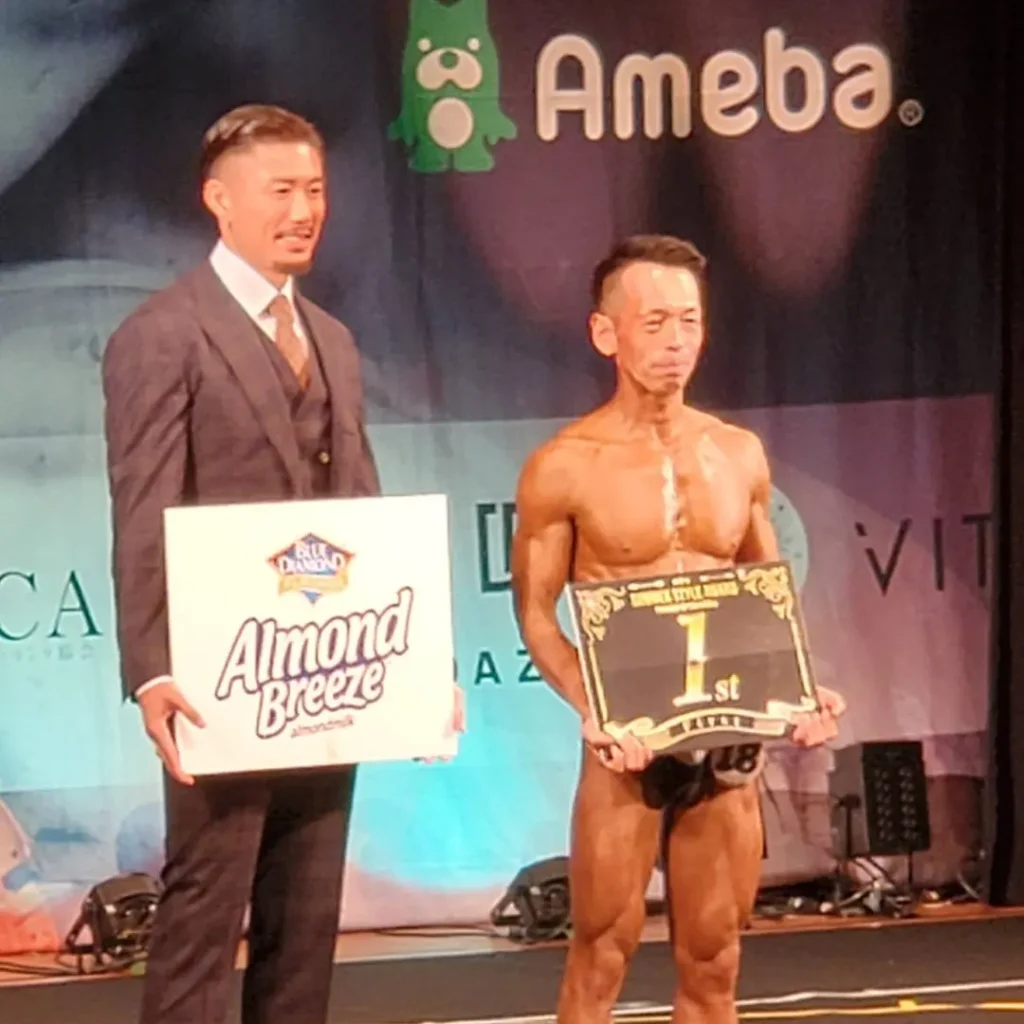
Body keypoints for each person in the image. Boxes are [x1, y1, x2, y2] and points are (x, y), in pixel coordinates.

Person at [101, 103, 462, 1024]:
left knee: (305, 916)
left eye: (315, 190)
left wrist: (418, 671)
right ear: (219, 199)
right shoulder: (163, 333)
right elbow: (141, 512)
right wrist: (152, 671)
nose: (303, 211)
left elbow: (367, 518)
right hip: (222, 676)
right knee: (205, 906)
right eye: (281, 191)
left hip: (330, 669)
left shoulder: (331, 338)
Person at [511, 234, 846, 1024]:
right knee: (601, 951)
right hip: (629, 746)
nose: (675, 342)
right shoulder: (564, 464)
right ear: (606, 333)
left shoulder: (738, 453)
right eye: (654, 322)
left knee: (714, 957)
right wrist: (594, 710)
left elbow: (767, 594)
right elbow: (536, 614)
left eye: (689, 322)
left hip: (727, 740)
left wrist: (800, 689)